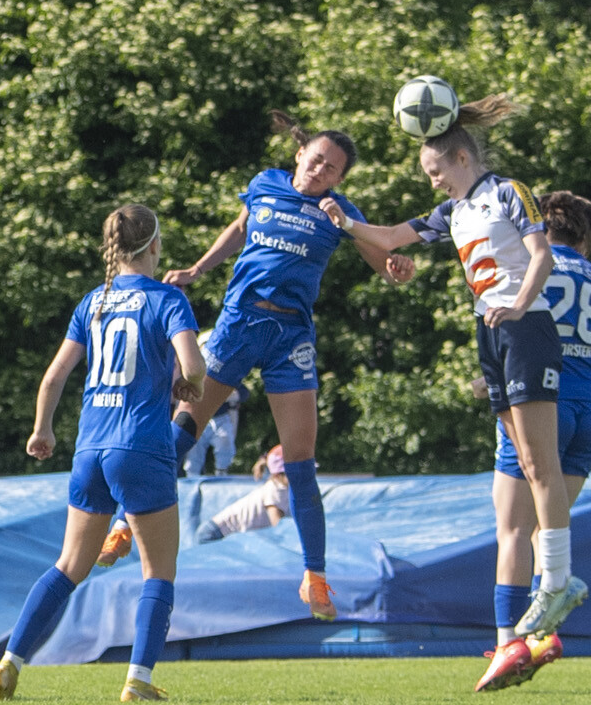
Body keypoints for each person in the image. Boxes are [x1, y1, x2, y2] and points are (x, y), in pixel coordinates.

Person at [321, 94, 590, 692]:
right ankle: (544, 595)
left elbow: (541, 256)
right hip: (489, 333)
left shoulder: (506, 192)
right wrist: (346, 224)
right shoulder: (454, 211)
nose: (433, 181)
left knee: (540, 464)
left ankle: (557, 580)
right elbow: (393, 235)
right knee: (523, 463)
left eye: (435, 170)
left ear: (461, 157)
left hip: (525, 328)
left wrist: (519, 305)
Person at [163, 113, 416, 622]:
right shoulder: (265, 184)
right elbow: (240, 228)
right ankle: (123, 522)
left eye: (332, 168)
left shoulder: (338, 212)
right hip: (239, 324)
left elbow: (382, 260)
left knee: (300, 460)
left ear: (340, 179)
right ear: (300, 155)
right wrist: (197, 269)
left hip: (290, 337)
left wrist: (397, 269)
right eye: (316, 159)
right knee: (185, 426)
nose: (320, 170)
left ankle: (315, 578)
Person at [0, 204, 203, 704]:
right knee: (158, 572)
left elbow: (54, 376)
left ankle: (9, 662)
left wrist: (42, 429)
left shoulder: (93, 302)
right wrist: (190, 385)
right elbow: (192, 364)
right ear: (154, 246)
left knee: (68, 566)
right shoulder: (168, 298)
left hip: (90, 447)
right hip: (142, 446)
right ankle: (137, 680)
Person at [472, 190, 591, 690]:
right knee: (546, 526)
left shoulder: (530, 260)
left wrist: (492, 379)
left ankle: (507, 642)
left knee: (513, 528)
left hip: (541, 400)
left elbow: (525, 331)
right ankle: (541, 637)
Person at [194, 447, 290, 544]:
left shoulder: (281, 487)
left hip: (217, 532)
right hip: (213, 534)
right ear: (277, 475)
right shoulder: (276, 490)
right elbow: (278, 528)